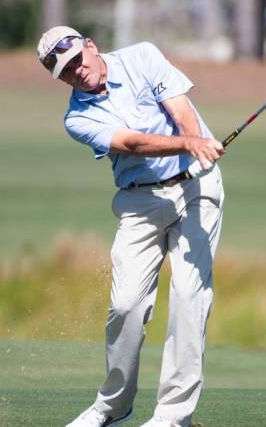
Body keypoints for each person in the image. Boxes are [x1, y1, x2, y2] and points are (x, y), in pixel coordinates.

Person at [37, 26, 226, 427]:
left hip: (196, 187)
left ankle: (173, 417)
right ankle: (113, 406)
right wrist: (190, 144)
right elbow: (133, 143)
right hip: (139, 202)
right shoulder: (77, 118)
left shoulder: (142, 56)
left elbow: (180, 108)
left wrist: (196, 144)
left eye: (76, 61)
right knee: (125, 305)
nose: (76, 72)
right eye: (66, 73)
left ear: (90, 45)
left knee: (189, 296)